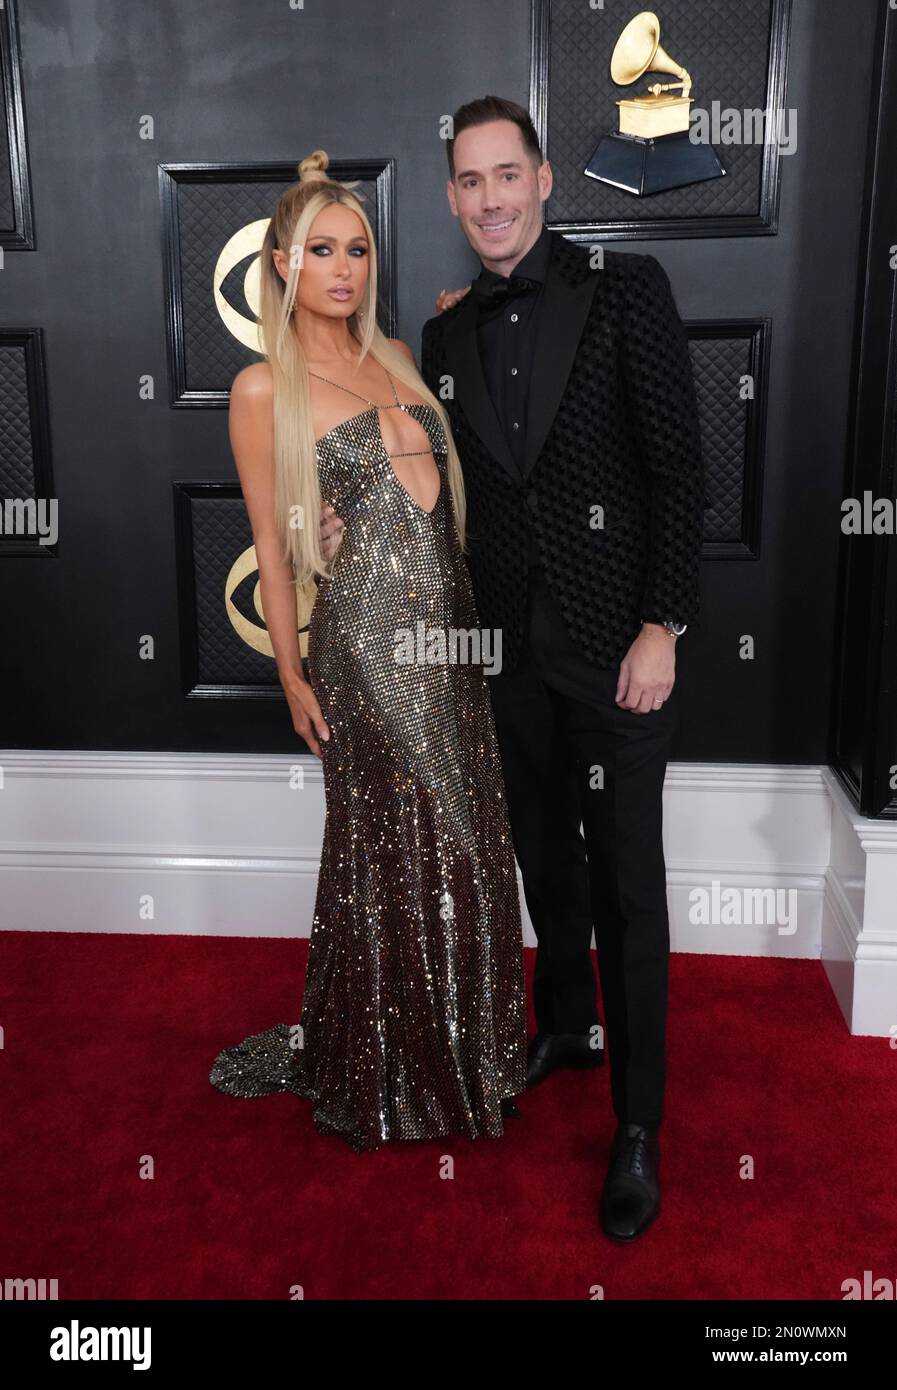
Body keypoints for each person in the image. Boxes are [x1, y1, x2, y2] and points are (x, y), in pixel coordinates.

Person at [321, 96, 705, 1239]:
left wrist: (664, 626)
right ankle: (568, 1023)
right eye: (469, 182)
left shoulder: (628, 291)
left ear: (543, 179)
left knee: (629, 881)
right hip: (505, 655)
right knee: (544, 853)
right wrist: (344, 523)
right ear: (451, 199)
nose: (489, 198)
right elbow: (429, 484)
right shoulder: (442, 339)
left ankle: (638, 1122)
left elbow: (679, 472)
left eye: (507, 175)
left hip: (617, 649)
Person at [209, 149, 527, 1152]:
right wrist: (292, 671)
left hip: (451, 641)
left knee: (476, 846)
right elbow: (272, 540)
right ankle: (392, 1071)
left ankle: (469, 1057)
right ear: (282, 263)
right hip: (367, 651)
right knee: (408, 847)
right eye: (320, 251)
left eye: (356, 248)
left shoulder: (395, 353)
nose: (342, 268)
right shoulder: (263, 388)